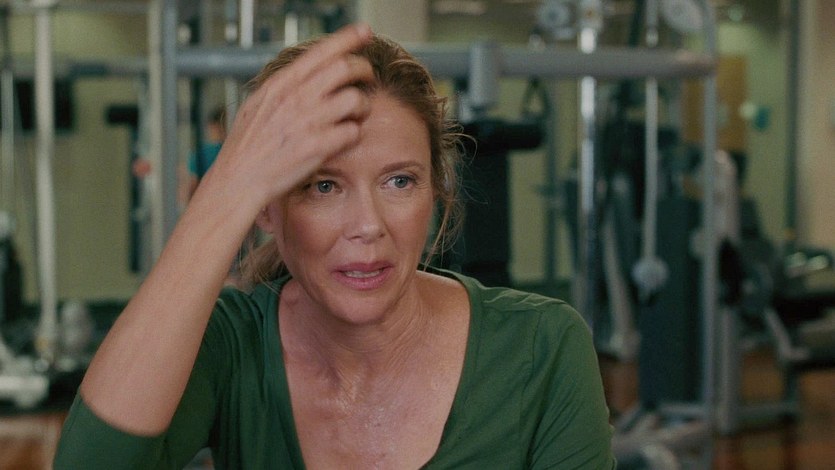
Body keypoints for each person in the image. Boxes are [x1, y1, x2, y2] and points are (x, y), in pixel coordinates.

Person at [54, 24, 615, 469]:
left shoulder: (542, 347)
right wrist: (227, 189)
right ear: (267, 208)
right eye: (323, 186)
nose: (368, 226)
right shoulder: (231, 346)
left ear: (435, 191)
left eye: (400, 181)